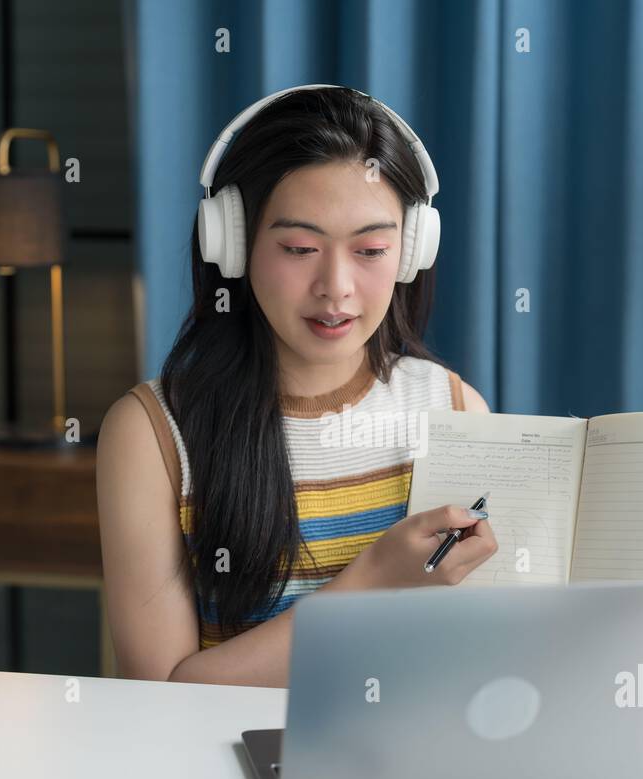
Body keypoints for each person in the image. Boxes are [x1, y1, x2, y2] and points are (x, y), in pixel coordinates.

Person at [97, 85, 495, 687]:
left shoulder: (455, 408)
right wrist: (371, 586)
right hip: (221, 771)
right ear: (231, 243)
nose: (335, 286)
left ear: (412, 250)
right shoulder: (151, 435)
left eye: (371, 250)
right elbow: (163, 694)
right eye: (301, 248)